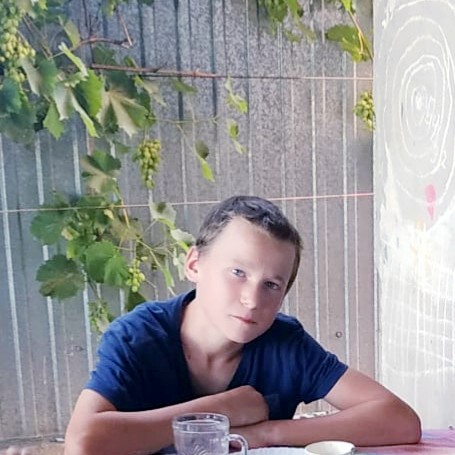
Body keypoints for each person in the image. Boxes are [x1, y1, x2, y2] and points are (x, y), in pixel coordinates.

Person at [64, 195, 421, 455]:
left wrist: (268, 433)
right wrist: (221, 411)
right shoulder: (139, 336)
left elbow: (399, 420)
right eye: (238, 272)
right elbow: (83, 443)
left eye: (271, 285)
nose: (252, 299)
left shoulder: (285, 343)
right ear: (194, 264)